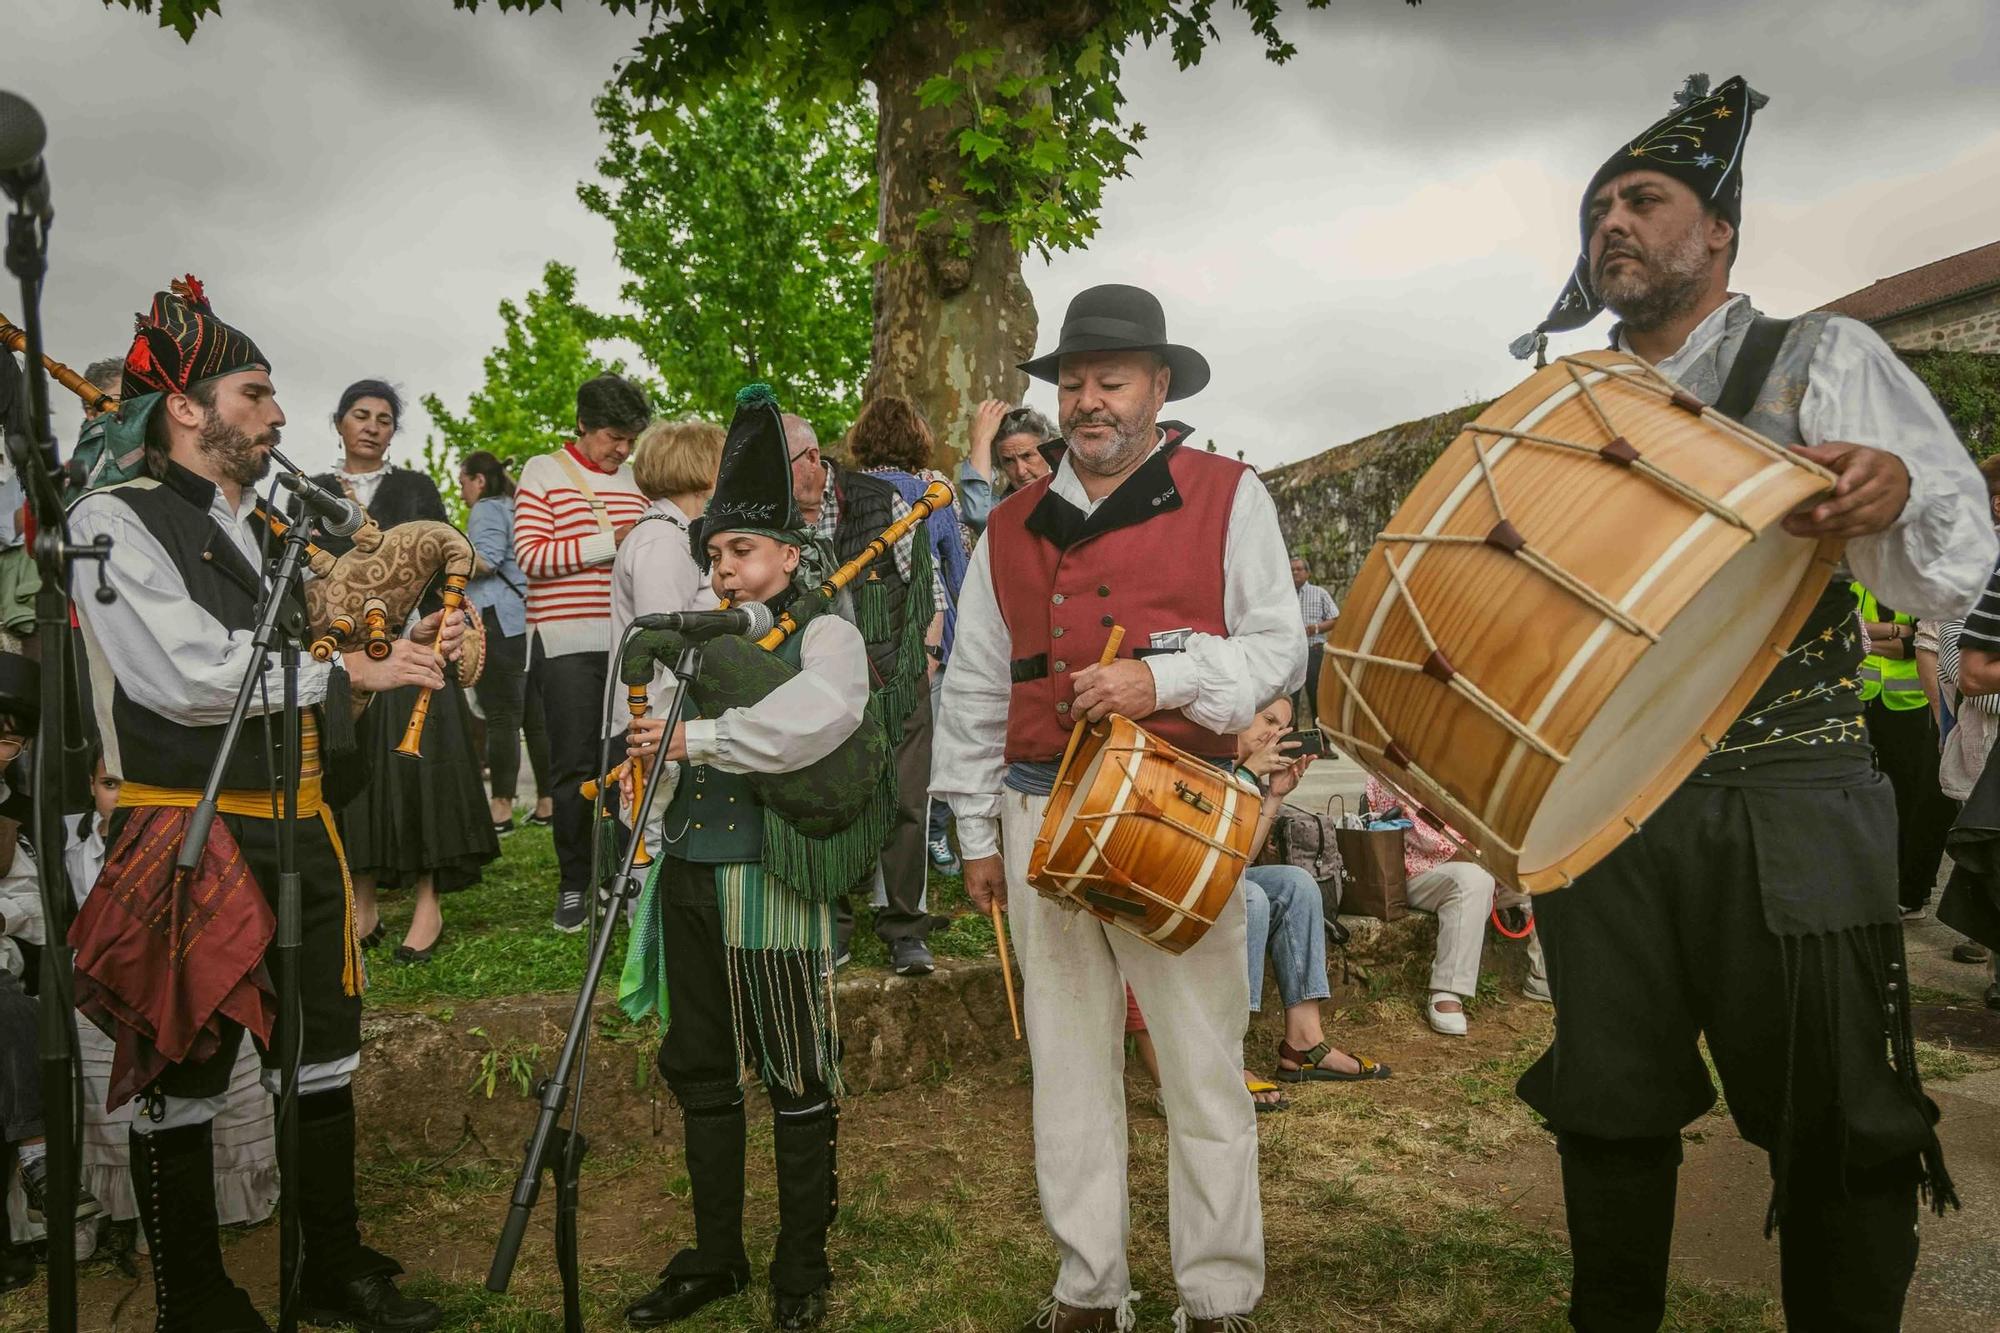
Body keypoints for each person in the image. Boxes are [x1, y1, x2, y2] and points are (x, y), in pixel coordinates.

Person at [1507, 76, 1995, 1332]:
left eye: (1642, 199)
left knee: (1835, 1117)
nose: (1611, 221)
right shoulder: (1567, 409)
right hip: (1603, 809)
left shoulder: (1821, 358)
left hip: (1787, 798)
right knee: (1608, 1102)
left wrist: (1885, 489)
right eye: (1597, 206)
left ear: (1715, 231)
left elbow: (1951, 556)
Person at [65, 276, 451, 1332]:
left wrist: (411, 643)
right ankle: (194, 1293)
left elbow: (343, 628)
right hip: (190, 832)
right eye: (255, 392)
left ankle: (331, 1264)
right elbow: (181, 675)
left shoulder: (278, 526)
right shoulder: (114, 519)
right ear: (185, 407)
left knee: (321, 1053)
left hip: (303, 825)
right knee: (185, 1068)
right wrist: (346, 668)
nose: (278, 415)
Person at [937, 282, 1303, 1333]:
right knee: (1064, 1064)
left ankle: (1218, 1293)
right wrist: (970, 828)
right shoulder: (1005, 524)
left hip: (1172, 806)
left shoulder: (1229, 492)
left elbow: (1277, 643)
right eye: (1072, 382)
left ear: (1154, 385)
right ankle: (1088, 1286)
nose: (1088, 401)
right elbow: (972, 681)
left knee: (1197, 1063)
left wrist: (1165, 677)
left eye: (1110, 381)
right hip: (1035, 805)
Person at [616, 385, 882, 1333]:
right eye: (716, 553)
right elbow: (654, 743)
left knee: (795, 1068)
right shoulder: (696, 642)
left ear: (789, 554)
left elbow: (820, 720)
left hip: (770, 882)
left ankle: (800, 1264)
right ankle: (717, 1255)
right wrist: (645, 773)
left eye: (742, 551)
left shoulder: (828, 633)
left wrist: (700, 742)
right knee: (702, 1066)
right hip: (688, 871)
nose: (724, 568)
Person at [315, 381, 498, 963]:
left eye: (384, 419)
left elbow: (450, 557)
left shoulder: (415, 487)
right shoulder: (313, 492)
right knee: (357, 767)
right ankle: (362, 900)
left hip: (416, 644)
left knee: (421, 771)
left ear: (394, 431)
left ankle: (427, 902)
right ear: (339, 422)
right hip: (344, 654)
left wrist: (447, 629)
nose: (372, 426)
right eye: (360, 415)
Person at [786, 413, 939, 976]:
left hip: (892, 676)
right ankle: (832, 929)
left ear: (809, 461)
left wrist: (919, 660)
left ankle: (905, 929)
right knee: (828, 803)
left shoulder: (878, 500)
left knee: (903, 800)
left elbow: (928, 587)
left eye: (780, 466)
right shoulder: (771, 514)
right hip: (813, 683)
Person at [515, 374, 652, 932]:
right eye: (613, 438)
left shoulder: (640, 482)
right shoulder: (542, 471)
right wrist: (608, 543)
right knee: (571, 766)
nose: (622, 450)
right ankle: (575, 882)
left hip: (627, 640)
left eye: (630, 441)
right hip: (564, 642)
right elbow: (529, 556)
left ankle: (623, 876)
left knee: (628, 761)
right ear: (582, 426)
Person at [846, 396, 958, 972]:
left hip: (884, 663)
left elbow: (928, 580)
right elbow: (950, 575)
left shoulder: (868, 496)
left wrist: (927, 651)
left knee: (885, 790)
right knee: (882, 791)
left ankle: (878, 922)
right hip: (874, 665)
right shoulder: (923, 497)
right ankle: (868, 918)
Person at [0, 658, 106, 1234]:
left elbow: (42, 915)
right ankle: (41, 1158)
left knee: (13, 1010)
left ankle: (39, 1178)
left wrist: (3, 916)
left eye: (10, 740)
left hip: (4, 968)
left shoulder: (13, 817)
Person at [1237, 697, 1390, 1088]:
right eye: (1268, 719)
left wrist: (1273, 796)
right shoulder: (1205, 756)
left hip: (1225, 872)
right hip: (1183, 877)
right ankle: (1226, 1052)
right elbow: (1215, 855)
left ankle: (1304, 1042)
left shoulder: (1247, 771)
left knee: (1296, 883)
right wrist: (1249, 776)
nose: (1274, 734)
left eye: (1283, 729)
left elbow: (1239, 859)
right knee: (1251, 899)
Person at [608, 418, 723, 855]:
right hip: (655, 713)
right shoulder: (663, 540)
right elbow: (661, 641)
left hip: (665, 713)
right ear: (703, 467)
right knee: (652, 832)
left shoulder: (676, 534)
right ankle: (649, 922)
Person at [1853, 579, 1959, 918]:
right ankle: (1876, 881)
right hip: (1864, 699)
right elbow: (1842, 631)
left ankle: (1911, 890)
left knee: (1913, 796)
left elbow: (1920, 643)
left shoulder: (1921, 582)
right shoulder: (1857, 580)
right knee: (1865, 795)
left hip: (1913, 704)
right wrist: (1895, 631)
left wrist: (1866, 637)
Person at [460, 449, 551, 833]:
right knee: (534, 718)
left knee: (501, 716)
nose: (462, 491)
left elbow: (488, 560)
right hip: (527, 621)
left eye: (463, 482)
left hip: (496, 621)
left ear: (479, 480)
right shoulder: (517, 508)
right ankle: (547, 804)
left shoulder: (487, 509)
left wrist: (447, 552)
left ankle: (500, 810)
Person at [958, 399, 1057, 535]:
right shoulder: (1005, 508)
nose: (1021, 471)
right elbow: (979, 515)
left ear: (1049, 451)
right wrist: (982, 440)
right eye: (1009, 461)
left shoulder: (1075, 494)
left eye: (1027, 456)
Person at [1290, 557, 1337, 728]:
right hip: (1290, 654)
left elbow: (1335, 618)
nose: (1295, 572)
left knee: (1317, 697)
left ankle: (1323, 743)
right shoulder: (1282, 596)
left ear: (1307, 572)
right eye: (1292, 569)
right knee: (1289, 699)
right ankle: (1292, 743)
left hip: (1314, 651)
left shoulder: (1320, 593)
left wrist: (1315, 628)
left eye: (1299, 569)